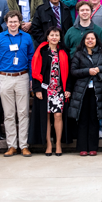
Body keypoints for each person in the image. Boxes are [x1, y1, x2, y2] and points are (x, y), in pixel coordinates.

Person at [0, 12, 35, 157]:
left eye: (16, 21)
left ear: (20, 22)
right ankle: (12, 145)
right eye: (11, 21)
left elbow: (31, 59)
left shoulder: (27, 37)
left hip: (22, 76)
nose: (13, 24)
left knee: (23, 113)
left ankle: (24, 145)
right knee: (9, 114)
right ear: (6, 23)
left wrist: (31, 78)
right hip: (5, 77)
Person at [69, 31, 102, 156]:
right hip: (82, 91)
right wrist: (88, 71)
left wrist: (99, 69)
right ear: (84, 40)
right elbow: (73, 71)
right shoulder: (78, 54)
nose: (90, 40)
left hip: (97, 91)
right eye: (87, 38)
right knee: (82, 119)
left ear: (96, 40)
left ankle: (93, 147)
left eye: (92, 38)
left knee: (94, 118)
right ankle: (83, 147)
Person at [30, 27, 70, 156]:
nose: (54, 37)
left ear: (60, 37)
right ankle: (48, 144)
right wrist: (36, 89)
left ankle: (58, 143)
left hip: (59, 90)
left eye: (56, 35)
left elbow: (69, 73)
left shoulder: (64, 52)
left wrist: (68, 88)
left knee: (58, 115)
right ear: (47, 37)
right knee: (46, 116)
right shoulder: (41, 51)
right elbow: (35, 71)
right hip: (44, 89)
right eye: (51, 35)